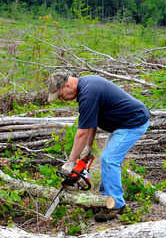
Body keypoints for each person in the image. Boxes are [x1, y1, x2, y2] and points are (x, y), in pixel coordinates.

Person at [47, 71, 150, 222]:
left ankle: (116, 205)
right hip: (122, 125)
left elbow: (81, 132)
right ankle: (104, 199)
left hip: (133, 123)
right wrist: (87, 148)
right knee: (107, 159)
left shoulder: (88, 93)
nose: (61, 99)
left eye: (60, 95)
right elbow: (90, 124)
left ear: (67, 85)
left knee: (109, 160)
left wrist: (71, 161)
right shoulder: (86, 88)